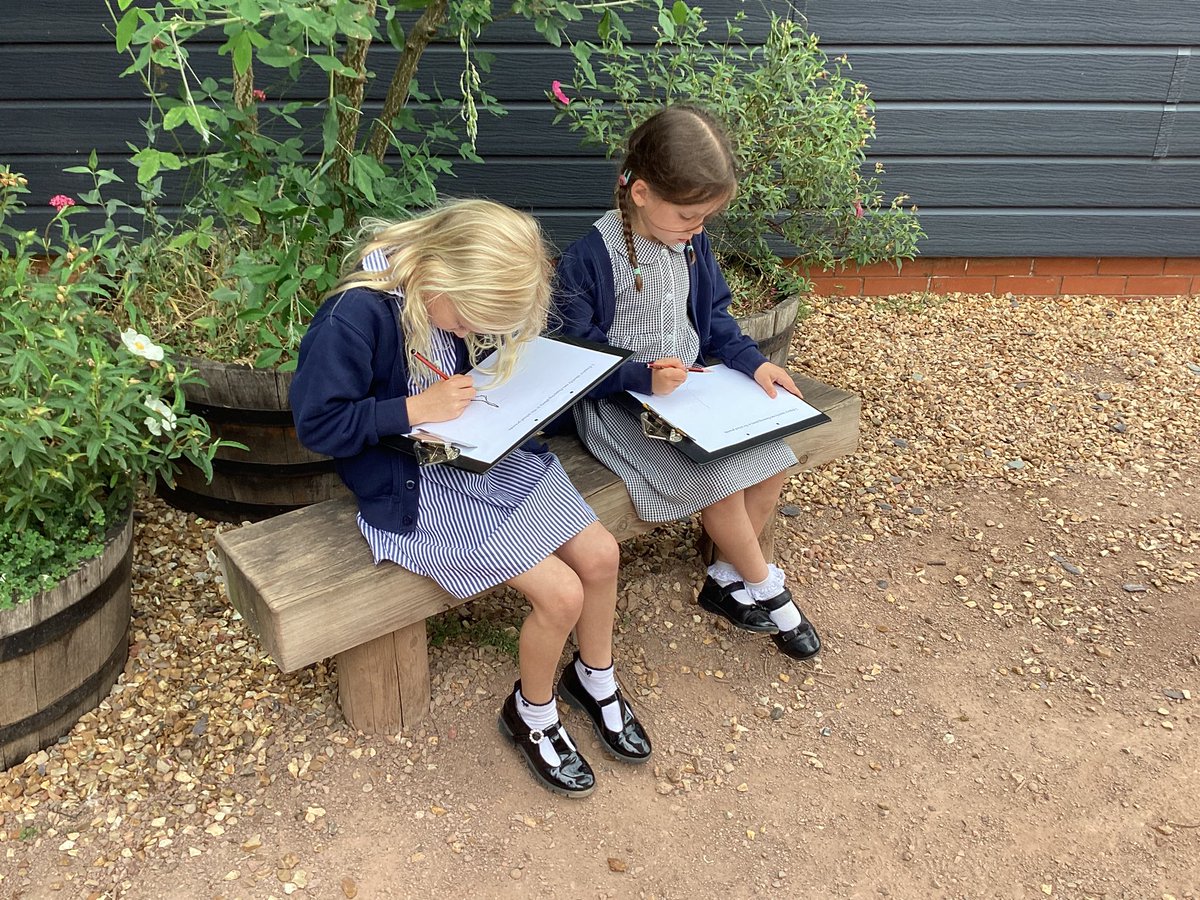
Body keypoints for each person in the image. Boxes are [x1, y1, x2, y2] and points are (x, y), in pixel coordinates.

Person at [290, 199, 651, 799]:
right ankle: (531, 714)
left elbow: (461, 374)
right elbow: (317, 425)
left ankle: (594, 676)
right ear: (440, 273)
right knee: (560, 594)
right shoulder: (353, 317)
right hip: (414, 488)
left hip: (480, 456)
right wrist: (411, 409)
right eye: (466, 323)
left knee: (602, 556)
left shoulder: (438, 295)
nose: (467, 333)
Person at [552, 105, 822, 661]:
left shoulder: (691, 245)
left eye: (704, 220)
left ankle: (726, 580)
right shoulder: (589, 258)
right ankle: (769, 588)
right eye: (687, 217)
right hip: (621, 405)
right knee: (719, 481)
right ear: (642, 193)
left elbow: (717, 316)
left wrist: (753, 362)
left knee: (775, 459)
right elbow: (574, 359)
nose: (696, 231)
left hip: (694, 391)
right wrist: (638, 375)